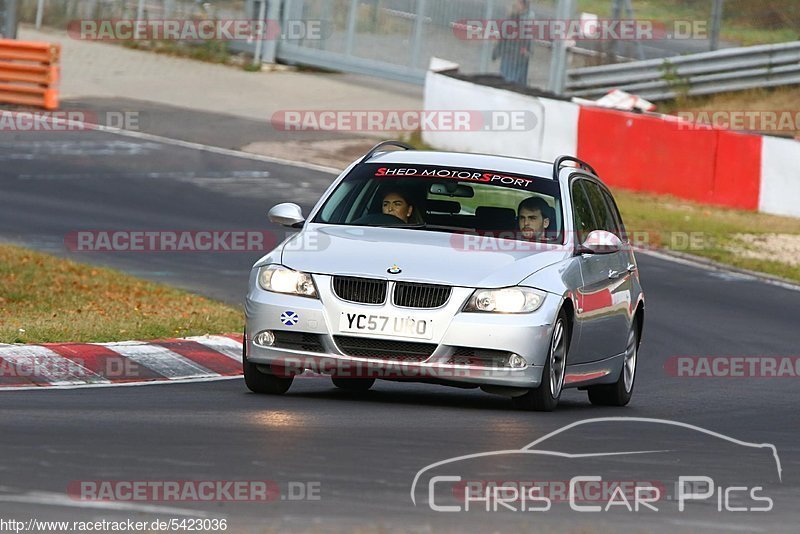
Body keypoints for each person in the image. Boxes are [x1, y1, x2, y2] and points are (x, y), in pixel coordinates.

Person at [492, 0, 534, 85]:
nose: (516, 4)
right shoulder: (511, 17)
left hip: (519, 56)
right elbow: (503, 36)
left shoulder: (528, 17)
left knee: (515, 81)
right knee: (507, 79)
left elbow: (528, 38)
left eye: (519, 3)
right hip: (509, 54)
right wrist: (496, 51)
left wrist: (528, 51)